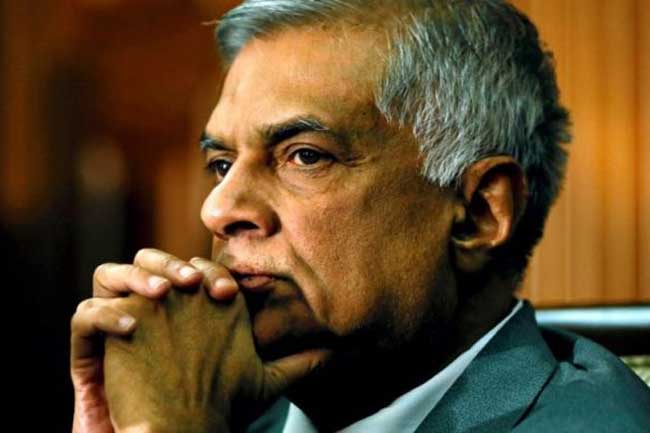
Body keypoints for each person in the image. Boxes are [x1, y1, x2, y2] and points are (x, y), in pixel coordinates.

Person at [70, 1, 650, 432]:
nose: (217, 209)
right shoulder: (217, 411)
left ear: (478, 213)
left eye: (304, 156)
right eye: (221, 164)